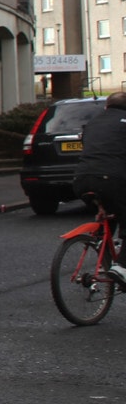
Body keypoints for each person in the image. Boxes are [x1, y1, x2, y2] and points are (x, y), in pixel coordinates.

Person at [75, 92, 126, 278]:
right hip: (111, 179)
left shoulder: (92, 123)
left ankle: (104, 259)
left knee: (112, 212)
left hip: (81, 179)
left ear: (106, 106)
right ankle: (121, 267)